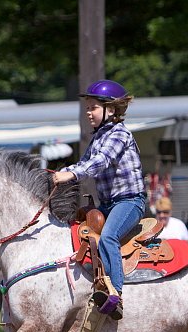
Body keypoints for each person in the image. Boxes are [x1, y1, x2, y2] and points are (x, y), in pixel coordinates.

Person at [52, 79, 145, 319]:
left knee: (108, 237)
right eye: (87, 108)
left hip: (129, 202)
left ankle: (115, 295)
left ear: (110, 109)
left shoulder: (119, 134)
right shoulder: (99, 136)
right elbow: (84, 164)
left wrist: (70, 174)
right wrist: (55, 175)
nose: (88, 113)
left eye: (93, 107)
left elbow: (101, 161)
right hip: (107, 204)